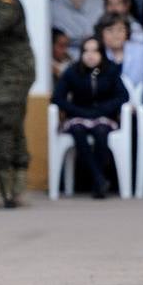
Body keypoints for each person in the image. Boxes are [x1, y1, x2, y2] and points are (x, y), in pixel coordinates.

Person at [53, 37, 129, 198]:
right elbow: (57, 98)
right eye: (86, 51)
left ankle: (97, 182)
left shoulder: (111, 70)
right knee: (78, 130)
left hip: (103, 116)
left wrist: (102, 110)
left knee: (101, 131)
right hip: (78, 116)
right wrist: (78, 111)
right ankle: (98, 178)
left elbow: (123, 96)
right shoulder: (72, 71)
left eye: (95, 51)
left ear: (102, 53)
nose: (90, 55)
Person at [0, 0, 36, 207]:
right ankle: (15, 190)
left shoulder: (7, 1)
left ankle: (4, 191)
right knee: (12, 126)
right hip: (2, 75)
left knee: (2, 124)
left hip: (13, 74)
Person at [97, 14, 143, 87]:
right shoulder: (97, 53)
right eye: (110, 30)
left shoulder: (140, 50)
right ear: (101, 33)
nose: (116, 35)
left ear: (127, 32)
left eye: (120, 29)